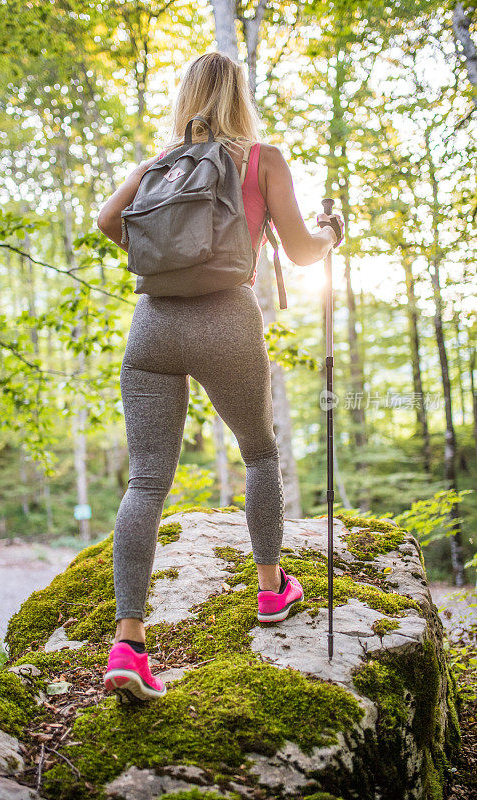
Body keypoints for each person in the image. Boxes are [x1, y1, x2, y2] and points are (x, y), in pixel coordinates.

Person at [97, 51, 344, 701]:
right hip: (228, 322)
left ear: (187, 97)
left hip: (151, 325)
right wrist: (330, 235)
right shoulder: (261, 159)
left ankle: (129, 643)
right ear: (241, 93)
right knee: (260, 454)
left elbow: (106, 221)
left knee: (146, 481)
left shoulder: (160, 163)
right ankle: (270, 590)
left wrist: (168, 256)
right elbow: (299, 250)